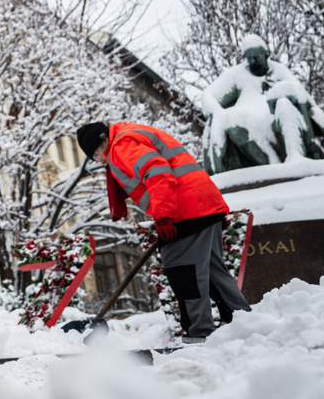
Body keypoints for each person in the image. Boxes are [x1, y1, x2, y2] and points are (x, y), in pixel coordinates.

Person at [76, 121, 251, 342]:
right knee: (214, 272)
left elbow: (157, 170)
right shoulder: (129, 133)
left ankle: (199, 334)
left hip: (185, 210)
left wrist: (163, 214)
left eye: (94, 156)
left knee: (182, 271)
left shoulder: (121, 145)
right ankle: (246, 324)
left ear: (99, 145)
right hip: (204, 204)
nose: (99, 161)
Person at [201, 33, 324, 174]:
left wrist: (284, 92)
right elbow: (209, 95)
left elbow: (301, 95)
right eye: (249, 58)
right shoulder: (238, 74)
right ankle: (273, 164)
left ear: (265, 53)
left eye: (256, 56)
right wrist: (216, 111)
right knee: (234, 121)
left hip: (278, 127)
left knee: (284, 104)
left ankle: (297, 157)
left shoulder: (279, 71)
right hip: (247, 126)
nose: (252, 61)